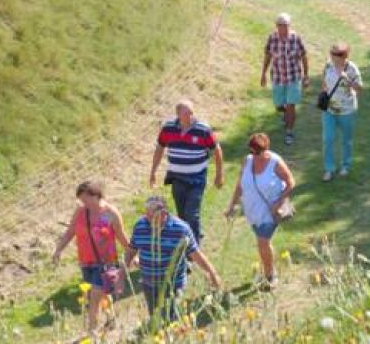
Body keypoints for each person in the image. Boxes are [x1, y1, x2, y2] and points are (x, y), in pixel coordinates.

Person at [50, 180, 132, 337]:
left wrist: (131, 255)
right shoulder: (81, 212)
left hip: (107, 262)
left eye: (86, 199)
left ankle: (92, 331)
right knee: (103, 293)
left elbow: (121, 237)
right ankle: (111, 317)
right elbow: (70, 232)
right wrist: (58, 250)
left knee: (94, 296)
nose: (83, 203)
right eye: (81, 200)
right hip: (86, 261)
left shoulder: (110, 213)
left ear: (96, 196)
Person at [125, 195, 221, 324]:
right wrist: (123, 271)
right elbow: (132, 249)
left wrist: (212, 273)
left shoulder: (181, 229)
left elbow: (196, 254)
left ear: (164, 213)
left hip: (173, 285)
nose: (148, 220)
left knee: (170, 318)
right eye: (146, 216)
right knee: (155, 317)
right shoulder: (140, 225)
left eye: (151, 217)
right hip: (149, 282)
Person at [226, 132, 297, 288]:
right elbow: (240, 184)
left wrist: (279, 203)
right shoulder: (247, 161)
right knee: (261, 243)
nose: (253, 155)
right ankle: (266, 269)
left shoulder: (275, 162)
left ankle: (271, 276)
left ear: (265, 150)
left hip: (269, 211)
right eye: (251, 151)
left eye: (256, 152)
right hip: (252, 211)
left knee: (263, 242)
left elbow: (291, 182)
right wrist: (232, 205)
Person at [148, 100, 224, 245]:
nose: (190, 116)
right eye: (186, 113)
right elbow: (159, 149)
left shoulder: (203, 129)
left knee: (191, 213)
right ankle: (192, 235)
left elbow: (217, 150)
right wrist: (153, 171)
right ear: (178, 114)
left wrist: (219, 174)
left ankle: (193, 248)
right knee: (182, 214)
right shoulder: (168, 128)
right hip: (177, 178)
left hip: (197, 178)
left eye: (191, 112)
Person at [260, 12, 309, 145]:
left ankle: (289, 131)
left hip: (293, 77)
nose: (283, 28)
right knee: (279, 105)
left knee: (291, 105)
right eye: (280, 25)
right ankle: (284, 114)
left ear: (289, 25)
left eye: (286, 25)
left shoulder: (296, 38)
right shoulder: (272, 38)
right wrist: (263, 74)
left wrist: (306, 76)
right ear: (276, 26)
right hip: (277, 77)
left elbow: (304, 56)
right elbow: (268, 56)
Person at [319, 42, 363, 182]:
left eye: (337, 54)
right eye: (332, 53)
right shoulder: (328, 66)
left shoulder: (352, 69)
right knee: (328, 139)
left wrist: (348, 80)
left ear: (345, 55)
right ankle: (329, 169)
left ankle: (345, 165)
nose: (333, 56)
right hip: (329, 110)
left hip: (347, 111)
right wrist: (325, 95)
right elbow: (324, 83)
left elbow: (360, 89)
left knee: (346, 140)